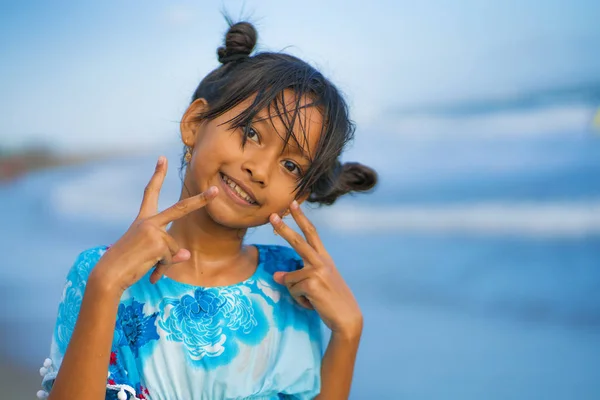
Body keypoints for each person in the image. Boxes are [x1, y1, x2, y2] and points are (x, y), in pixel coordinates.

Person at [38, 20, 377, 400]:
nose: (260, 170)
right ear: (195, 124)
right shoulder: (100, 273)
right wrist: (105, 287)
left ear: (299, 194)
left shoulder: (292, 285)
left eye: (291, 166)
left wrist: (348, 334)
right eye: (250, 133)